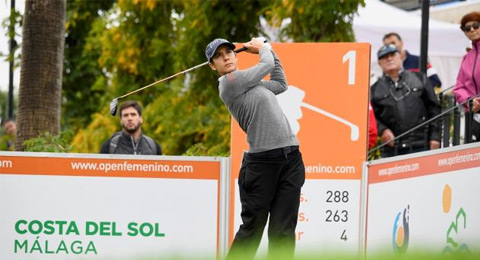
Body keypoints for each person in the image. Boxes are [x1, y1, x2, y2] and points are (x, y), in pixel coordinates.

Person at [206, 37, 305, 259]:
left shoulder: (253, 84)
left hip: (291, 159)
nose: (226, 58)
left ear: (235, 55)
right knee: (252, 230)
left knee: (283, 230)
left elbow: (280, 84)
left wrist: (270, 52)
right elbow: (266, 65)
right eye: (219, 56)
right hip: (262, 165)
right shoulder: (229, 83)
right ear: (213, 66)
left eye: (229, 53)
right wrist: (263, 48)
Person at [370, 44, 441, 157]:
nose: (389, 59)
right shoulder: (374, 89)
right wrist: (382, 130)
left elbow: (434, 109)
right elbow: (371, 117)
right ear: (379, 64)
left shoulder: (420, 78)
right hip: (391, 149)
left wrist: (435, 137)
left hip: (421, 145)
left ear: (401, 57)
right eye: (384, 57)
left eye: (392, 55)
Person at [453, 11, 480, 142]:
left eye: (476, 25)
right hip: (473, 116)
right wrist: (470, 101)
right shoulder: (467, 58)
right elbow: (459, 87)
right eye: (467, 28)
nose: (472, 30)